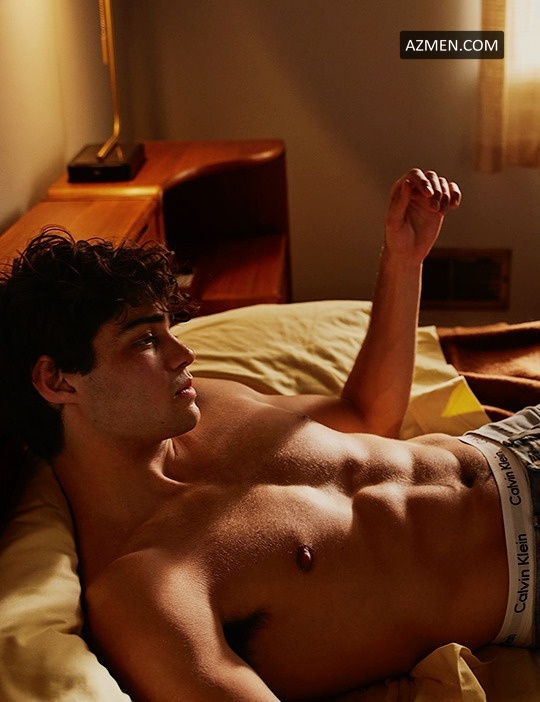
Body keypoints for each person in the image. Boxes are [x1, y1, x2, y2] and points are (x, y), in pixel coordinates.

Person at [1, 168, 535, 702]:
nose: (184, 354)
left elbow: (366, 415)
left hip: (513, 440)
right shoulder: (143, 591)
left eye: (169, 330)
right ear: (57, 381)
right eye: (144, 341)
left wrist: (403, 259)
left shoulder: (206, 403)